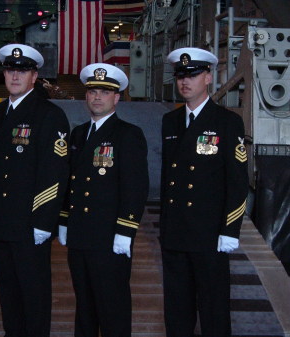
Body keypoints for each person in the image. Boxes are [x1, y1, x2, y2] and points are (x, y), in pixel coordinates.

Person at [160, 47, 249, 337]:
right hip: (176, 232)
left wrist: (230, 230)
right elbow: (169, 178)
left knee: (213, 310)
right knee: (177, 310)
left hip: (209, 233)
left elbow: (237, 182)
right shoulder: (170, 122)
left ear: (208, 78)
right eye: (181, 76)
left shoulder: (226, 122)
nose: (185, 81)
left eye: (193, 75)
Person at [0, 43, 70, 337]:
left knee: (33, 296)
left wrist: (44, 220)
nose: (15, 75)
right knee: (7, 293)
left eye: (23, 70)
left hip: (30, 222)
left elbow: (55, 172)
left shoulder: (49, 115)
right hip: (0, 220)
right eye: (10, 69)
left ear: (34, 76)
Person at [58, 63, 149, 337]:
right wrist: (64, 220)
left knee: (113, 308)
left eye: (105, 92)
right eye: (93, 91)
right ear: (86, 96)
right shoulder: (78, 134)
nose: (97, 96)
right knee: (84, 308)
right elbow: (69, 181)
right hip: (80, 235)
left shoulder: (128, 134)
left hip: (110, 238)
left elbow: (135, 187)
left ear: (117, 97)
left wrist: (125, 231)